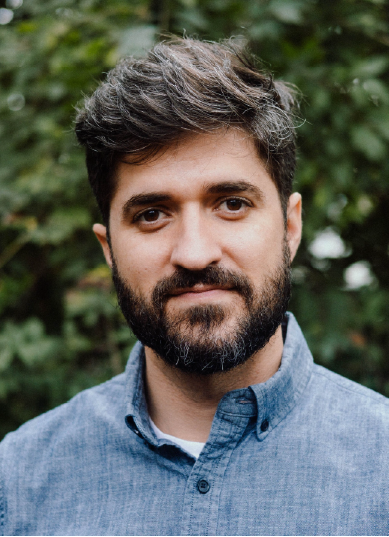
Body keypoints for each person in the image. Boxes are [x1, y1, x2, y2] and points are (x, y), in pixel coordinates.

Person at [1, 37, 389, 537]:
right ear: (108, 249)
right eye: (152, 214)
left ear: (290, 229)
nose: (195, 252)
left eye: (231, 204)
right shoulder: (19, 482)